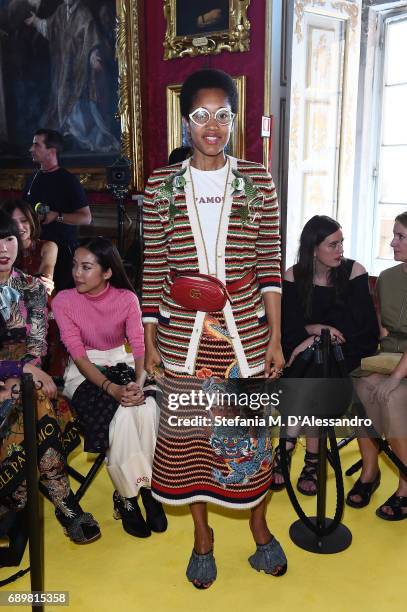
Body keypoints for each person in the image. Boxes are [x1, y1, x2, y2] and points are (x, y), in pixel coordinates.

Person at [142, 69, 286, 588]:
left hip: (245, 339)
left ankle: (260, 528)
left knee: (251, 444)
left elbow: (269, 263)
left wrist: (273, 337)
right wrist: (151, 345)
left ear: (234, 120)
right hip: (182, 340)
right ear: (186, 122)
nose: (213, 126)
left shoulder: (257, 181)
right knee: (190, 446)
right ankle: (202, 539)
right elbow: (155, 268)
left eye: (223, 116)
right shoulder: (162, 184)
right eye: (201, 116)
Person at [52, 237, 167, 538]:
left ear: (107, 272)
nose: (77, 272)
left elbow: (140, 347)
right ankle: (132, 494)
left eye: (86, 267)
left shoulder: (126, 299)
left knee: (147, 406)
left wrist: (138, 385)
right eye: (75, 265)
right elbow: (77, 355)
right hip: (85, 372)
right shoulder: (64, 301)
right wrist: (112, 389)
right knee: (122, 413)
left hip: (125, 363)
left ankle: (139, 490)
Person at [0, 209, 100, 543]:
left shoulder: (30, 287)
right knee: (33, 398)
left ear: (19, 242)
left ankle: (21, 498)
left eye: (9, 239)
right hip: (11, 375)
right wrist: (19, 370)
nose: (4, 248)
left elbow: (39, 343)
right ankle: (65, 504)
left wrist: (25, 370)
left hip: (26, 376)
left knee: (33, 397)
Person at [271, 215, 379, 494]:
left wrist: (322, 338)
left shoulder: (354, 272)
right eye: (332, 244)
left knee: (317, 365)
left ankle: (287, 444)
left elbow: (365, 331)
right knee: (312, 366)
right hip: (305, 361)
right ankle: (312, 460)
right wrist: (314, 331)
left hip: (345, 358)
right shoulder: (293, 277)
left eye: (341, 243)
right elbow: (287, 329)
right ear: (312, 248)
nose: (340, 250)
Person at [347, 212, 407, 520]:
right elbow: (383, 330)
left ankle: (405, 486)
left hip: (403, 363)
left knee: (394, 398)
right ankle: (370, 472)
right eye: (394, 235)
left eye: (400, 237)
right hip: (390, 354)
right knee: (363, 387)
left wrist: (395, 377)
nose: (393, 241)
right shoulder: (388, 278)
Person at [24, 0, 119, 153]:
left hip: (78, 69)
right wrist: (36, 21)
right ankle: (67, 132)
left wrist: (94, 57)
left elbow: (92, 40)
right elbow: (50, 28)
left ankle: (79, 135)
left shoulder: (83, 13)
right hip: (63, 69)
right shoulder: (61, 11)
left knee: (76, 106)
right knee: (61, 101)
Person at [23, 128, 92, 291]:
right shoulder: (32, 178)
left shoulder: (68, 180)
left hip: (63, 255)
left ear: (51, 151)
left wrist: (57, 216)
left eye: (36, 145)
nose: (31, 149)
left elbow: (86, 218)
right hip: (35, 251)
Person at [1, 199, 57, 295]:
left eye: (24, 221)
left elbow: (45, 277)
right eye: (13, 222)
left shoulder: (48, 246)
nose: (19, 227)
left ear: (32, 221)